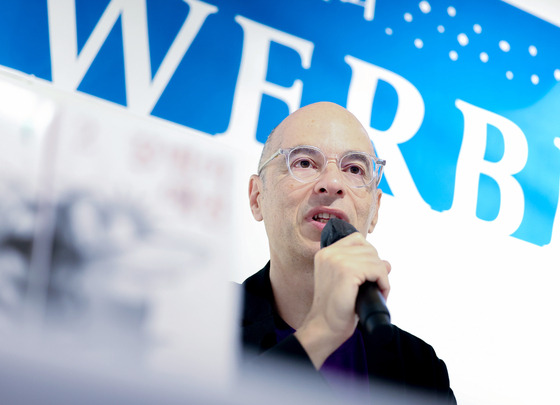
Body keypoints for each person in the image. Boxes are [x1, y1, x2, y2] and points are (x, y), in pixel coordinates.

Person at [241, 102, 456, 403]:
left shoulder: (419, 370)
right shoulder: (195, 318)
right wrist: (322, 330)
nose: (332, 184)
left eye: (354, 169)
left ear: (375, 210)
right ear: (256, 197)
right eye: (304, 162)